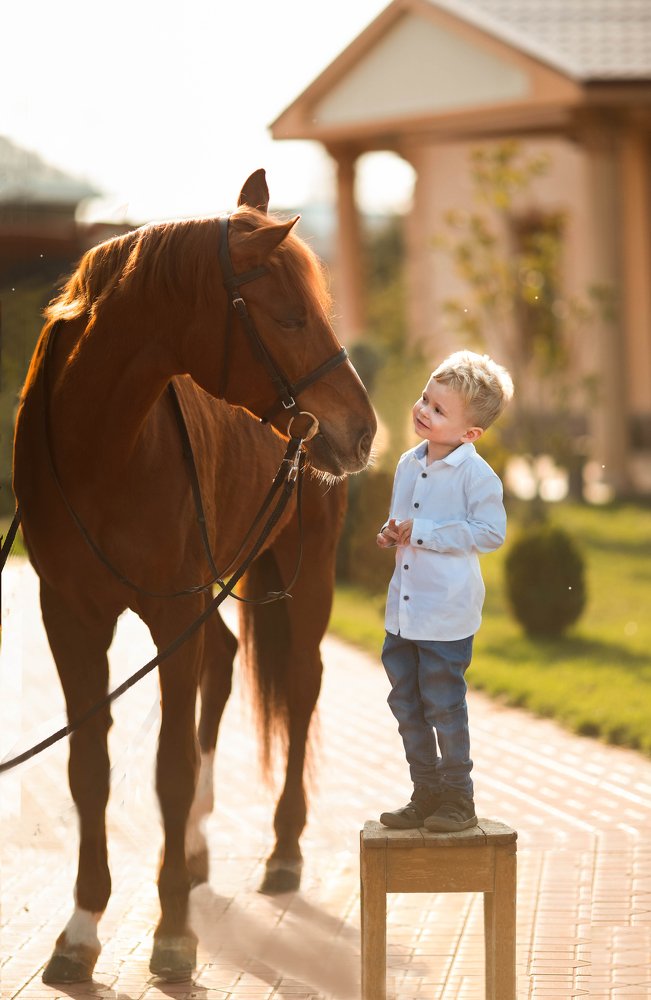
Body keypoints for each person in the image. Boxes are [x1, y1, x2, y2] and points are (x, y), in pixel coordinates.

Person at [376, 350, 514, 832]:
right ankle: (426, 792)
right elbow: (402, 522)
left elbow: (490, 533)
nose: (423, 411)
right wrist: (391, 533)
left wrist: (424, 532)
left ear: (470, 433)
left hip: (445, 616)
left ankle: (459, 798)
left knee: (443, 706)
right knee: (406, 704)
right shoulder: (407, 463)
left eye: (438, 410)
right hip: (403, 613)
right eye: (424, 399)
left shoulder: (477, 476)